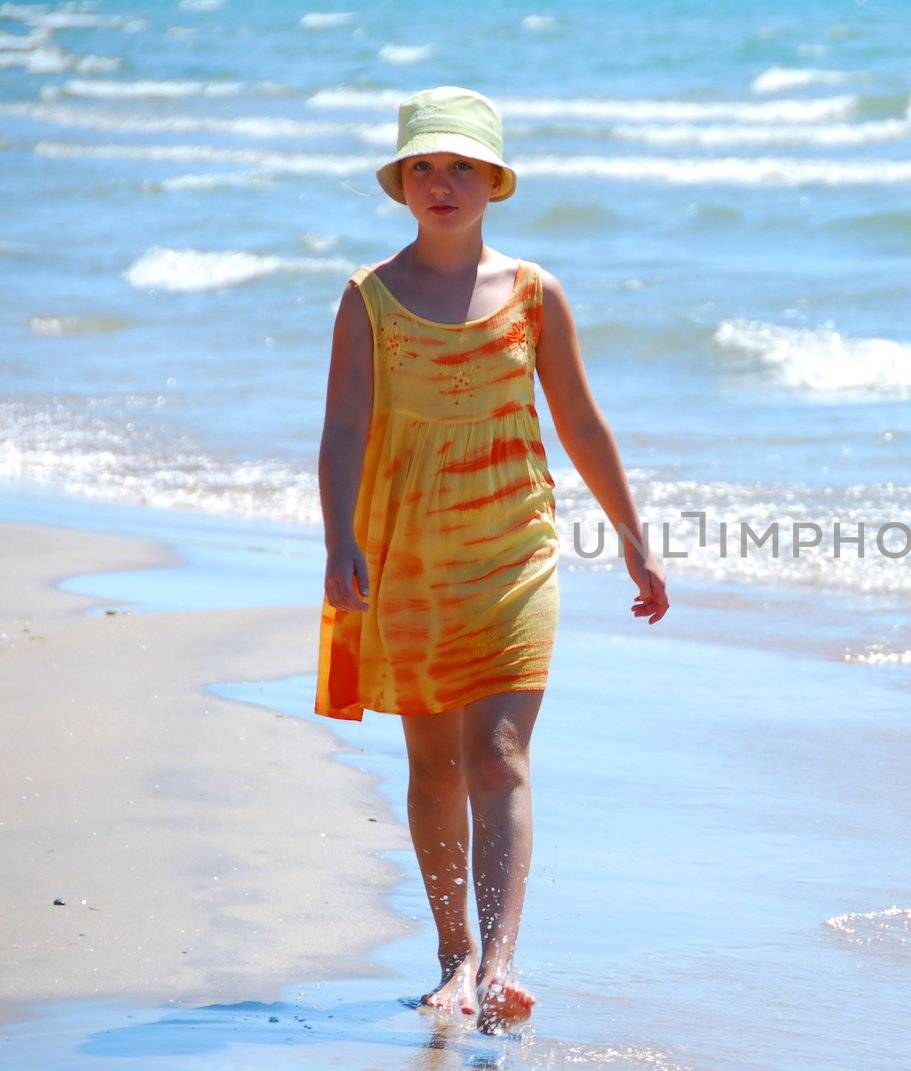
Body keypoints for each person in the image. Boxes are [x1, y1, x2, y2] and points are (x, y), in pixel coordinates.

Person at [313, 85, 668, 1033]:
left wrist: (634, 539)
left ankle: (503, 960)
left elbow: (581, 422)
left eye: (461, 165)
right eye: (424, 165)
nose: (442, 182)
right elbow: (343, 428)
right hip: (408, 554)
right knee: (435, 766)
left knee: (501, 752)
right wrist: (338, 539)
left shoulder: (535, 294)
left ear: (494, 182)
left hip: (516, 549)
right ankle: (453, 956)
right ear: (400, 183)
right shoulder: (370, 299)